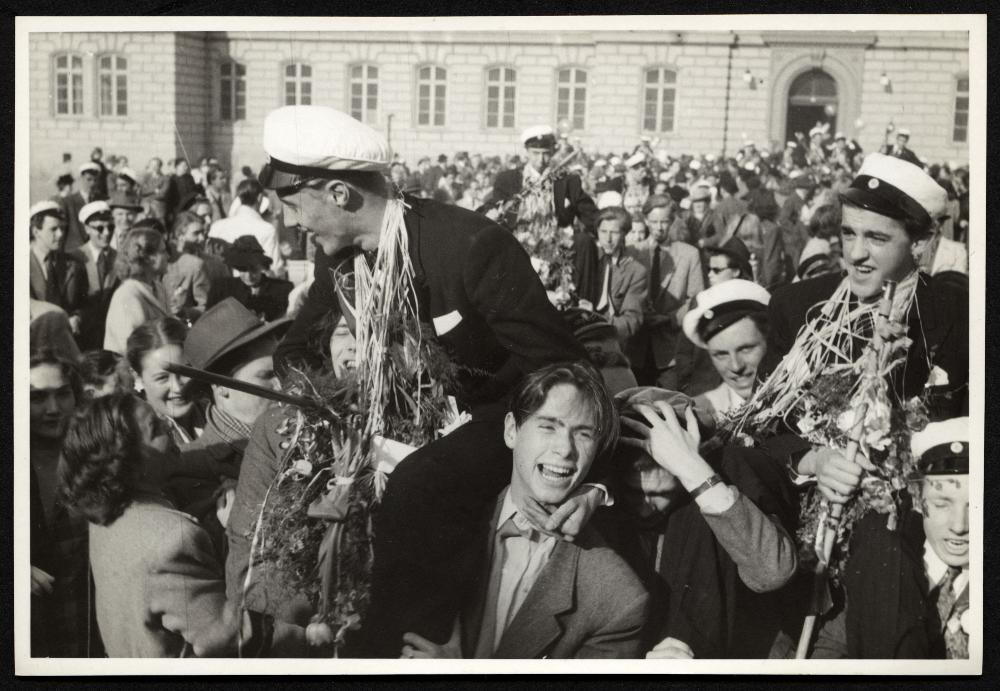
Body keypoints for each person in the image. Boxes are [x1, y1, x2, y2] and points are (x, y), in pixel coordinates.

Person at [257, 105, 596, 657]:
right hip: (385, 417)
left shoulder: (468, 245)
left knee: (419, 482)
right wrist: (332, 406)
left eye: (292, 204)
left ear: (339, 194)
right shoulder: (337, 258)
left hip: (495, 416)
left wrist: (586, 476)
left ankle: (399, 651)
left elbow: (565, 369)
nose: (291, 221)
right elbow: (293, 353)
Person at [759, 153, 969, 655]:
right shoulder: (798, 307)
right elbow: (762, 428)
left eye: (876, 238)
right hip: (805, 509)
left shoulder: (955, 316)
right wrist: (812, 460)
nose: (856, 254)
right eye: (848, 234)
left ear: (919, 243)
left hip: (903, 518)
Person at [399, 362, 650, 659]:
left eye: (583, 434)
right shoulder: (441, 521)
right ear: (511, 431)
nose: (565, 449)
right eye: (548, 426)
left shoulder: (617, 599)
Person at [56, 393, 308, 657]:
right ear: (128, 464)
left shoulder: (104, 516)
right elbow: (225, 635)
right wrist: (308, 638)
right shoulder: (172, 539)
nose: (168, 426)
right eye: (155, 429)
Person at [602, 387, 797, 658]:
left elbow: (772, 572)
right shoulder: (608, 508)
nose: (645, 509)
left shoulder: (730, 471)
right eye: (633, 493)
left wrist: (694, 472)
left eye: (662, 494)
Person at [834, 417, 970, 658]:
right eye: (941, 505)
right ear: (918, 499)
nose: (959, 526)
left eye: (976, 507)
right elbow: (834, 645)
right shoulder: (883, 564)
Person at [166, 298, 289, 556]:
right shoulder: (191, 469)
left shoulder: (294, 433)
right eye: (267, 376)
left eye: (282, 371)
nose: (282, 386)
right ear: (222, 387)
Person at [485, 125, 600, 302]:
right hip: (518, 243)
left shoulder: (566, 180)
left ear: (553, 151)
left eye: (546, 153)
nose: (540, 160)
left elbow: (589, 213)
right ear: (526, 151)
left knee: (584, 242)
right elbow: (492, 206)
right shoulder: (508, 179)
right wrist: (493, 213)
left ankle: (581, 305)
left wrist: (608, 227)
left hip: (556, 244)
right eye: (535, 153)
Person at [29, 351, 94, 657]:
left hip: (87, 629)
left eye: (63, 394)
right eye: (37, 397)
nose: (53, 409)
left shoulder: (96, 458)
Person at [627, 195, 704, 389]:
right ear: (646, 220)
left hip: (670, 350)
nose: (659, 227)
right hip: (636, 348)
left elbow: (696, 300)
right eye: (654, 222)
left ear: (672, 221)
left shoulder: (689, 254)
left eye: (664, 221)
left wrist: (670, 319)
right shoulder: (632, 252)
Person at [682, 279, 770, 419]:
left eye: (745, 349)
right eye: (721, 354)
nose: (736, 366)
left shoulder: (804, 398)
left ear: (769, 341)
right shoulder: (700, 414)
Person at [124, 316, 203, 444]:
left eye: (185, 373)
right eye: (162, 378)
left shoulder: (218, 413)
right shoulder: (137, 439)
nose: (178, 388)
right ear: (138, 377)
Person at [103, 228, 172, 354]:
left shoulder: (158, 288)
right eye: (163, 251)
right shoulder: (127, 296)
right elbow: (130, 350)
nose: (168, 256)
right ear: (147, 258)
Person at [586, 206, 647, 346]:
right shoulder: (588, 260)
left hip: (612, 343)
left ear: (624, 234)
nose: (608, 239)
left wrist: (596, 321)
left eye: (614, 232)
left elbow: (631, 322)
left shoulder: (635, 271)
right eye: (603, 232)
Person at [28, 201, 87, 339]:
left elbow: (84, 303)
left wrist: (77, 317)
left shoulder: (72, 264)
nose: (60, 234)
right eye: (53, 229)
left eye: (62, 228)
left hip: (67, 340)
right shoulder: (20, 265)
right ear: (36, 231)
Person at [208, 178, 283, 277]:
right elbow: (273, 267)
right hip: (253, 282)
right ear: (260, 197)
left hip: (221, 283)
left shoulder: (217, 226)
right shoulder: (267, 229)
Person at [69, 200, 119, 351]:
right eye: (100, 228)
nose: (107, 233)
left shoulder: (120, 258)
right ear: (87, 229)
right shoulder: (75, 258)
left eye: (110, 227)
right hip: (83, 337)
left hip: (112, 336)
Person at [208, 235, 293, 322]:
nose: (249, 276)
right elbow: (208, 321)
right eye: (243, 269)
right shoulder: (222, 289)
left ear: (261, 266)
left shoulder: (282, 289)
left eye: (253, 269)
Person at [162, 211, 217, 322]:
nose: (202, 238)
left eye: (203, 233)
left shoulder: (207, 263)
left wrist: (183, 312)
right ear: (180, 235)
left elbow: (206, 305)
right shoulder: (165, 260)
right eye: (196, 233)